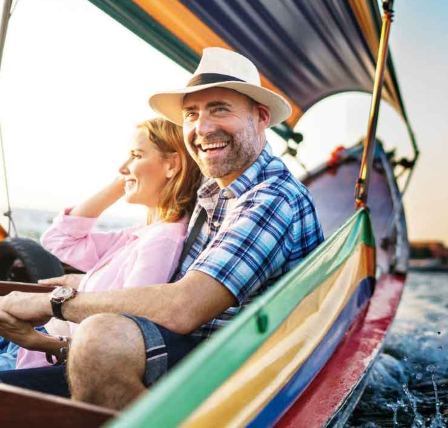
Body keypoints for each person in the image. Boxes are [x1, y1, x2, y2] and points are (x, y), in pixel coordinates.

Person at [0, 48, 324, 410]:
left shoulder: (272, 198)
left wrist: (52, 304)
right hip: (193, 348)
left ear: (261, 117)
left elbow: (185, 305)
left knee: (100, 339)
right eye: (191, 114)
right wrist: (82, 282)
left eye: (220, 109)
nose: (202, 128)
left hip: (239, 368)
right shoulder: (214, 191)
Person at [0, 118, 202, 374]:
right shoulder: (141, 234)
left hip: (38, 353)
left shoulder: (162, 241)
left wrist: (40, 342)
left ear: (172, 164)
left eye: (136, 155)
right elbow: (59, 240)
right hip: (22, 340)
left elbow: (121, 329)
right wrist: (125, 180)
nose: (122, 167)